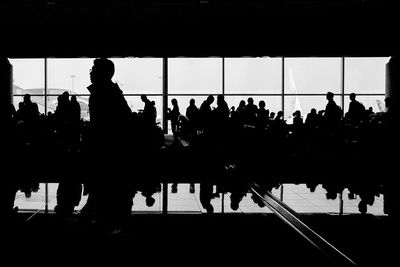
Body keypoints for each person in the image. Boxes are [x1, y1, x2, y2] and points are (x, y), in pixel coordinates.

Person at [83, 58, 134, 232]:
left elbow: (105, 125)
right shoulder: (110, 93)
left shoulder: (103, 93)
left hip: (107, 150)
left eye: (93, 69)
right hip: (110, 149)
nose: (90, 72)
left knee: (104, 189)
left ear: (103, 73)